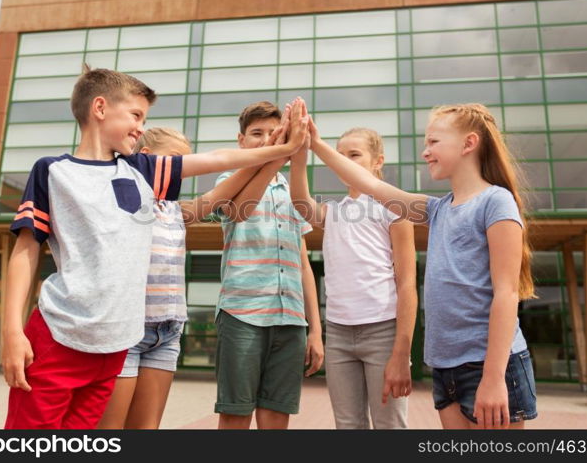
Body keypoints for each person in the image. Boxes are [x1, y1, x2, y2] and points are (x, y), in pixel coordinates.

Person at [1, 67, 307, 429]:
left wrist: (282, 150)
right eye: (135, 115)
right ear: (100, 107)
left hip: (120, 339)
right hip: (60, 333)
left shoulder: (141, 171)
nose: (140, 126)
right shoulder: (51, 171)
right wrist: (10, 331)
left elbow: (217, 162)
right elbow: (26, 250)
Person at [306, 100, 537, 429]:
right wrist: (314, 142)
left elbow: (506, 293)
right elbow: (371, 185)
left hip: (489, 366)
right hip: (447, 367)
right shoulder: (437, 209)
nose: (425, 152)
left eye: (433, 142)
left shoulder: (495, 201)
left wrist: (493, 377)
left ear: (469, 144)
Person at [98, 123, 291, 429]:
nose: (179, 172)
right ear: (146, 157)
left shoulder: (175, 210)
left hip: (167, 331)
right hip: (126, 331)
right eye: (175, 161)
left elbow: (219, 195)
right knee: (108, 431)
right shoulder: (122, 200)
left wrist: (273, 159)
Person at [289, 118, 417, 429]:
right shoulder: (333, 211)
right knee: (348, 425)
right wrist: (300, 148)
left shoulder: (395, 208)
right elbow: (300, 203)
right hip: (339, 334)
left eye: (354, 154)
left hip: (383, 332)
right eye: (340, 154)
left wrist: (402, 351)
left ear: (378, 161)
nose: (344, 161)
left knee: (390, 426)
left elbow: (408, 284)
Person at [213, 100, 324, 429]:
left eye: (272, 133)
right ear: (241, 140)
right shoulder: (230, 178)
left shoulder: (294, 192)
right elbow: (239, 209)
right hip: (242, 315)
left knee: (277, 415)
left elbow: (303, 262)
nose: (264, 140)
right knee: (236, 413)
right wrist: (277, 155)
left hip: (290, 320)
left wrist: (315, 330)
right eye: (256, 133)